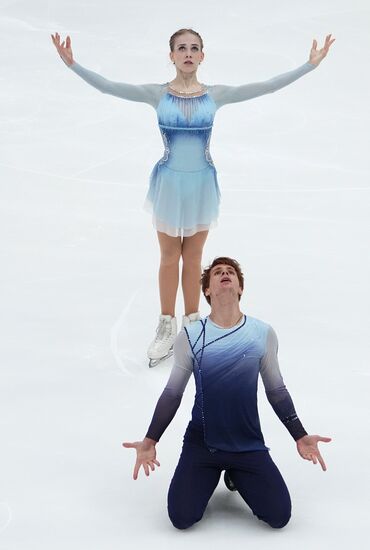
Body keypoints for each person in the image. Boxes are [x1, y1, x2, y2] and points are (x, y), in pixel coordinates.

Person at [51, 30, 335, 366]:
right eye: (181, 48)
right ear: (171, 55)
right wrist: (73, 65)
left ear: (202, 56)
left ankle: (192, 324)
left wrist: (309, 66)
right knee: (170, 256)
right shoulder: (157, 95)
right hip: (170, 184)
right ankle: (166, 325)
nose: (188, 53)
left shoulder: (216, 95)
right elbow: (108, 87)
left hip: (201, 184)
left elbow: (267, 86)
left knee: (194, 255)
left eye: (194, 48)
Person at [123, 257, 332, 530]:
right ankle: (211, 474)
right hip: (202, 445)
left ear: (240, 288)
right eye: (218, 273)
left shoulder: (262, 333)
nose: (225, 274)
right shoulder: (191, 335)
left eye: (231, 272)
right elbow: (173, 393)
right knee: (182, 518)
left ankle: (235, 472)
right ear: (207, 290)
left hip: (248, 443)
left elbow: (276, 390)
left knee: (280, 516)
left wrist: (300, 435)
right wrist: (150, 440)